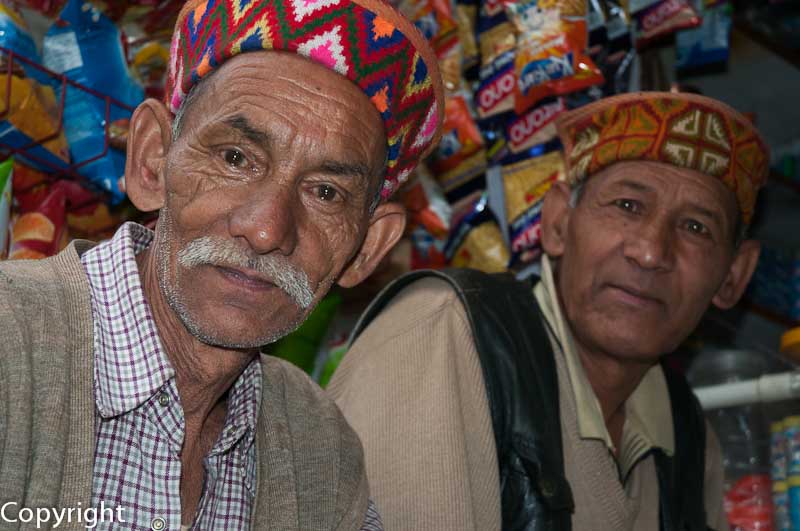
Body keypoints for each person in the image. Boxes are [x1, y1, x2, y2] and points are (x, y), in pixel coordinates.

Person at [0, 0, 443, 529]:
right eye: (236, 158)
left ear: (367, 249)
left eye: (326, 192)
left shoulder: (321, 450)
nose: (266, 230)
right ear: (151, 160)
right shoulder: (11, 346)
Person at [328, 92, 770, 531]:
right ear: (557, 223)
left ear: (734, 275)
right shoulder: (446, 335)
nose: (651, 251)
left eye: (696, 227)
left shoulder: (689, 441)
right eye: (627, 206)